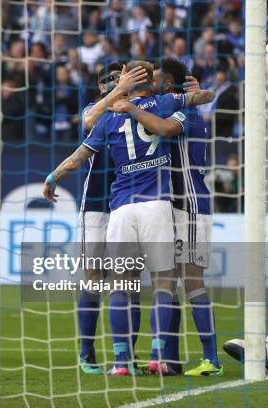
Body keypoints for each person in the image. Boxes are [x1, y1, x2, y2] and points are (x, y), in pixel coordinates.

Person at [44, 60, 213, 376]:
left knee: (122, 285)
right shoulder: (160, 103)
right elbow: (203, 99)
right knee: (163, 282)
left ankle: (122, 361)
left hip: (120, 206)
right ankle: (156, 356)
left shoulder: (108, 119)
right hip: (151, 205)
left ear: (129, 79)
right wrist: (197, 93)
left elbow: (81, 153)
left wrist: (52, 177)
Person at [112, 58, 222, 376]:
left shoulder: (180, 112)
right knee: (168, 281)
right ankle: (168, 358)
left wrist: (129, 107)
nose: (154, 86)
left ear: (169, 85)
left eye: (158, 81)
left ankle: (211, 359)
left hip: (189, 204)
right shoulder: (162, 106)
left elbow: (161, 128)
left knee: (191, 281)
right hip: (168, 205)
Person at [75, 62, 148, 375]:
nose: (123, 83)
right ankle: (86, 352)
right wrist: (117, 92)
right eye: (117, 80)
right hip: (96, 204)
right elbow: (88, 122)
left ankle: (126, 356)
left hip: (130, 203)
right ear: (104, 85)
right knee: (94, 277)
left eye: (125, 79)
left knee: (130, 281)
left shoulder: (136, 108)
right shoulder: (97, 108)